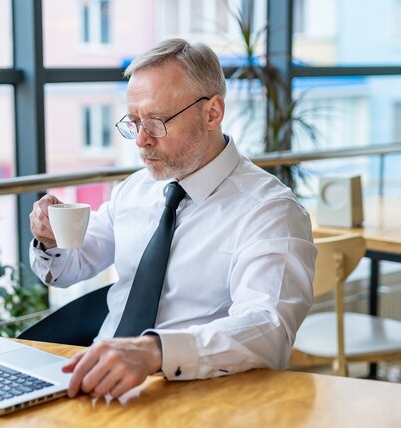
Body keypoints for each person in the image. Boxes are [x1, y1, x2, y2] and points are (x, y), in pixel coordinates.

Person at [29, 38, 317, 400]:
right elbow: (70, 267)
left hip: (199, 395)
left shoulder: (271, 211)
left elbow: (267, 329)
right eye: (134, 123)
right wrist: (50, 240)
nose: (142, 141)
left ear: (212, 113)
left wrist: (153, 352)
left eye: (157, 121)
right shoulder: (135, 189)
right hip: (97, 378)